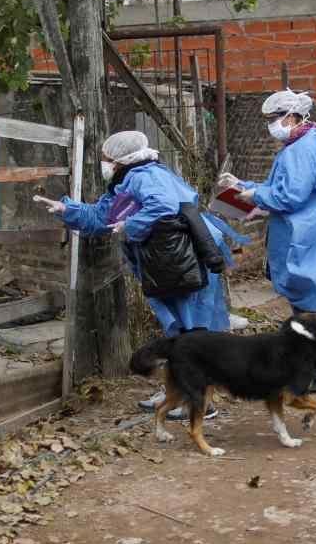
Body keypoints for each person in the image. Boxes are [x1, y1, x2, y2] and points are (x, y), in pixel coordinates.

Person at [34, 131, 239, 420]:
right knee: (177, 329)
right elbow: (102, 218)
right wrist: (66, 209)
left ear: (120, 159)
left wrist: (130, 225)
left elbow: (163, 206)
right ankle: (178, 389)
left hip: (184, 260)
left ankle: (199, 401)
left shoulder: (146, 176)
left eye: (106, 159)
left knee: (191, 328)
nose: (103, 163)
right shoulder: (127, 181)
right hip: (167, 262)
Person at [219, 89, 316, 393]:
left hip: (304, 232)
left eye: (276, 118)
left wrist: (255, 195)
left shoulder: (300, 149)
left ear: (292, 116)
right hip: (307, 230)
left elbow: (290, 194)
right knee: (310, 305)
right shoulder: (305, 141)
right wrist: (244, 186)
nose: (272, 124)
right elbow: (283, 186)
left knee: (311, 308)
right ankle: (314, 372)